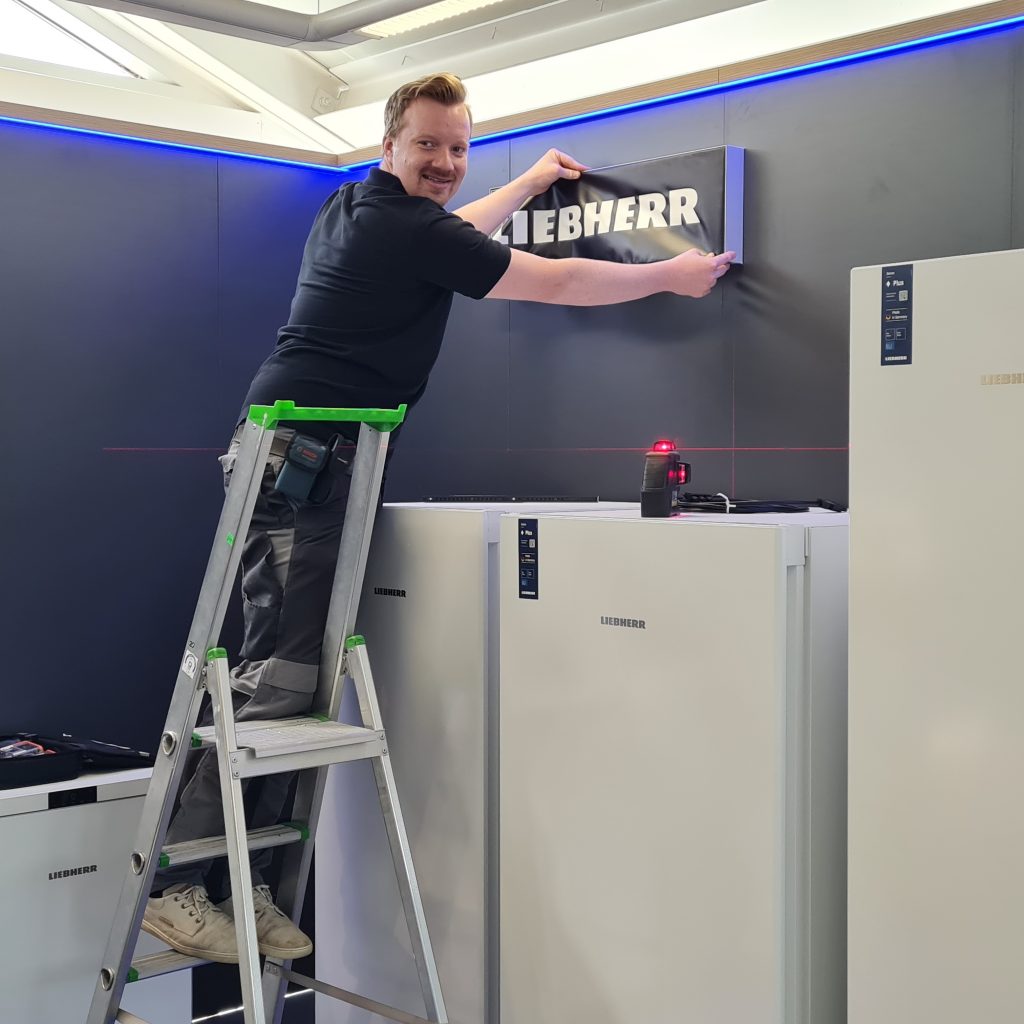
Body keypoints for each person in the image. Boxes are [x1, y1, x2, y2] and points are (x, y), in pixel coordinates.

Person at [142, 71, 734, 964]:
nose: (446, 162)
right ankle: (181, 888)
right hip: (307, 460)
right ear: (390, 144)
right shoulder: (402, 225)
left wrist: (529, 183)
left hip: (304, 452)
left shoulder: (360, 207)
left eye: (459, 147)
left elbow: (454, 234)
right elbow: (557, 281)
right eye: (427, 144)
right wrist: (671, 276)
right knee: (279, 676)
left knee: (294, 674)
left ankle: (240, 879)